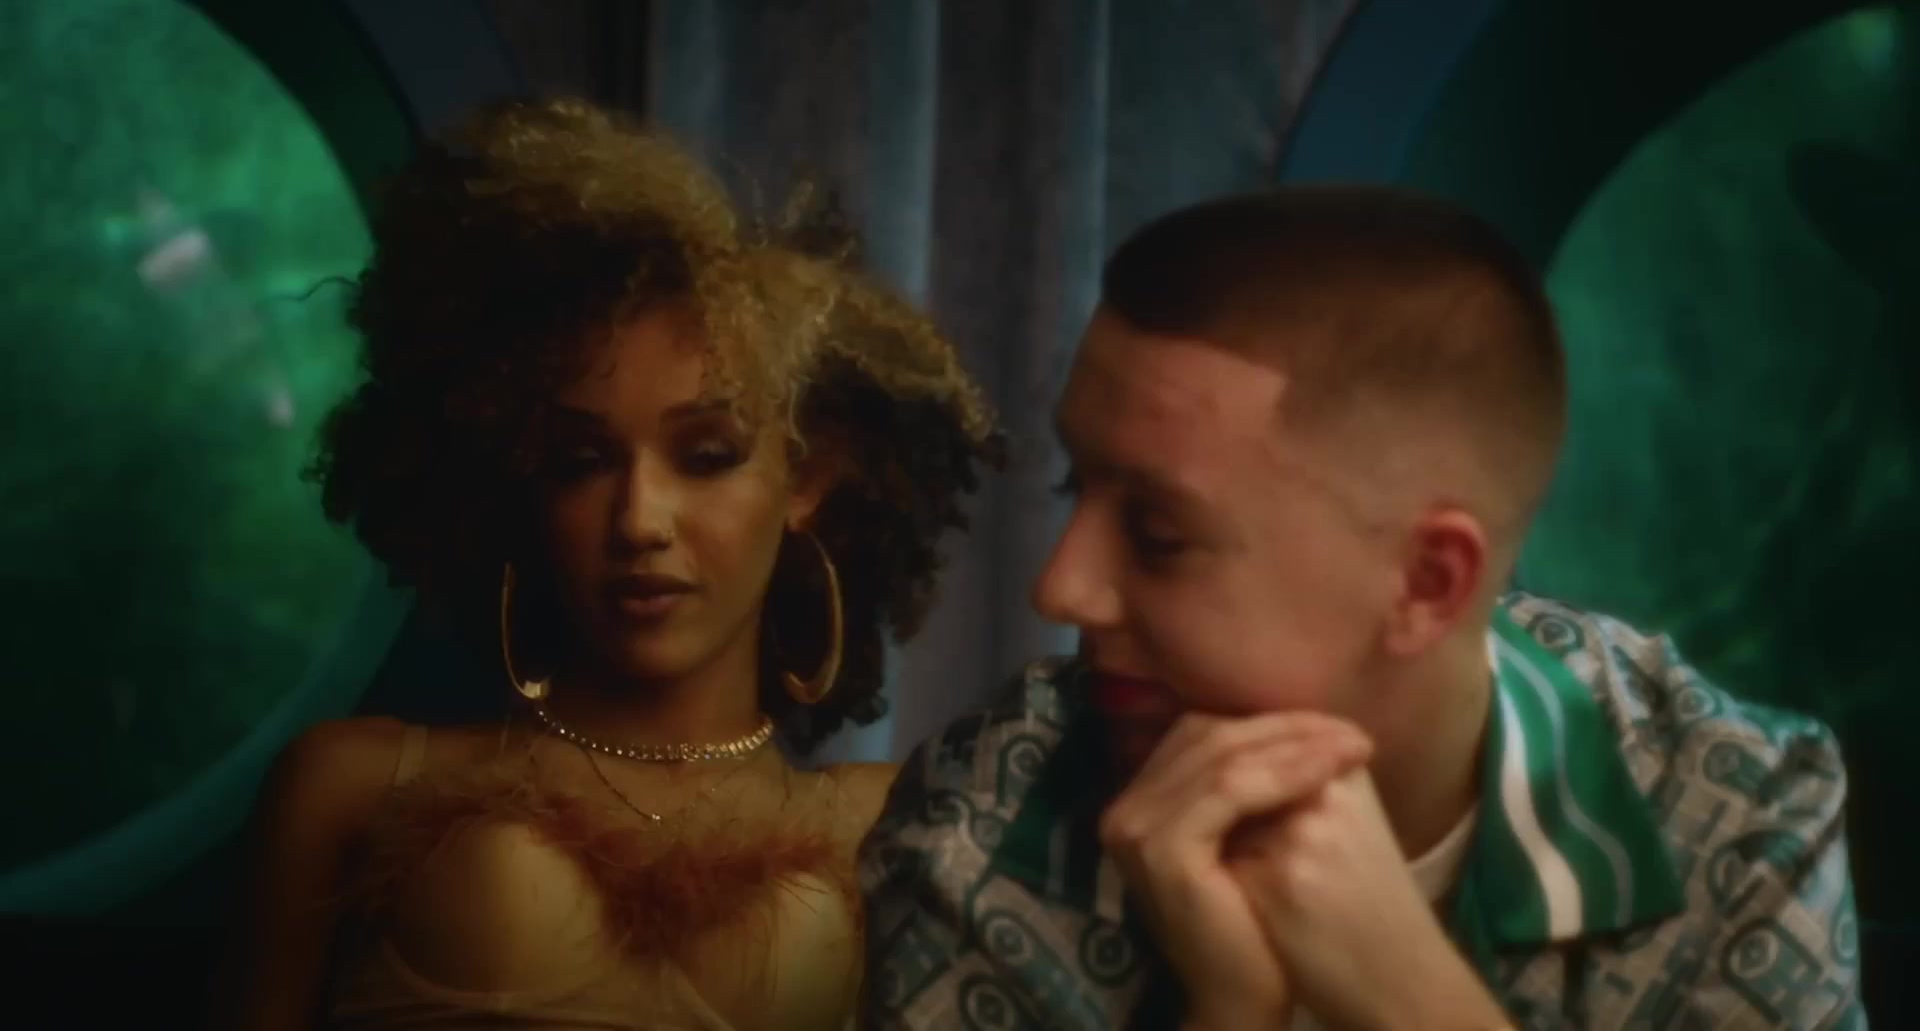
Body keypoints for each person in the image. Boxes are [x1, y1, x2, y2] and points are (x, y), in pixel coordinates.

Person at [858, 187, 1863, 1029]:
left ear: (1428, 585)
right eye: (1077, 486)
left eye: (1160, 535)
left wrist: (1411, 1001)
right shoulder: (984, 820)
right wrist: (1232, 1013)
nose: (1062, 586)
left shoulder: (1737, 817)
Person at [210, 99, 1001, 1030]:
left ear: (808, 477)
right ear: (517, 476)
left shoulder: (889, 822)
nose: (638, 521)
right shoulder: (352, 784)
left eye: (706, 456)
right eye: (580, 461)